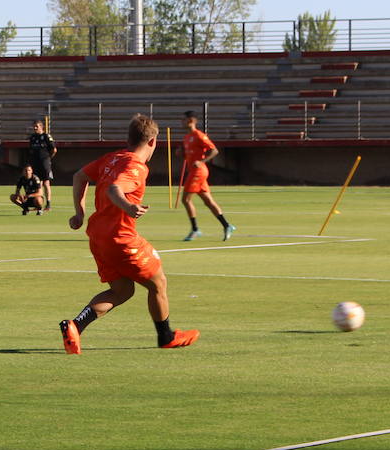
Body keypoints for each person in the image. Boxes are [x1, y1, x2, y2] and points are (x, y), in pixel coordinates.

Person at [59, 113, 198, 354]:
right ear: (153, 142)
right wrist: (128, 207)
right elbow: (115, 189)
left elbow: (79, 176)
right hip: (120, 238)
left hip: (97, 237)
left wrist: (79, 213)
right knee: (158, 282)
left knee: (122, 291)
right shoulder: (136, 166)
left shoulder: (112, 157)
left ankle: (75, 326)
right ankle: (166, 336)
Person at [178, 111, 235, 241]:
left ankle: (195, 229)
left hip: (198, 172)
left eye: (183, 119)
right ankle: (227, 225)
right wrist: (181, 154)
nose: (181, 122)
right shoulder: (187, 137)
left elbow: (214, 150)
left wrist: (201, 161)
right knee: (208, 201)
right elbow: (189, 156)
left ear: (191, 120)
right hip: (194, 171)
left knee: (185, 199)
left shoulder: (199, 135)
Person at [26, 118, 57, 215]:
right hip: (35, 164)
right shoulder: (32, 138)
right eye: (34, 126)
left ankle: (48, 204)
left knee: (46, 183)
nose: (35, 128)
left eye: (37, 126)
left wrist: (47, 158)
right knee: (38, 184)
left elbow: (54, 150)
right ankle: (38, 205)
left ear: (41, 127)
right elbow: (31, 151)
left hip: (44, 163)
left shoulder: (46, 136)